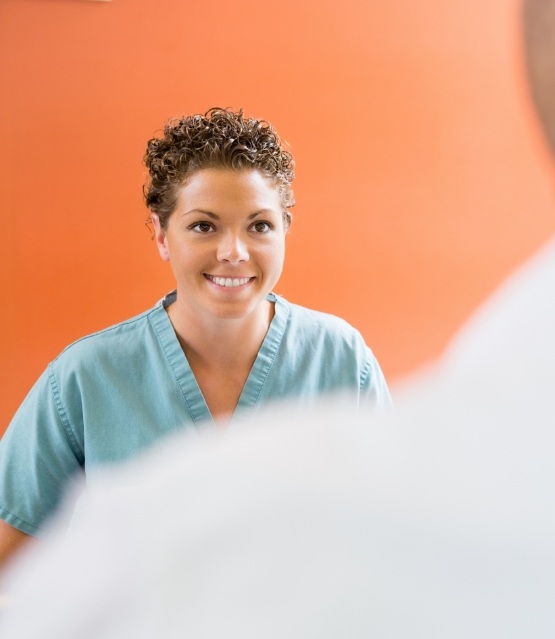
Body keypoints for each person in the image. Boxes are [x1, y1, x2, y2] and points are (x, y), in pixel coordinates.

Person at [0, 108, 391, 567]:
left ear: (286, 227)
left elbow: (399, 535)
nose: (233, 252)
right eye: (204, 226)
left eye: (259, 225)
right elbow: (10, 554)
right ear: (162, 234)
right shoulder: (85, 379)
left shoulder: (341, 360)